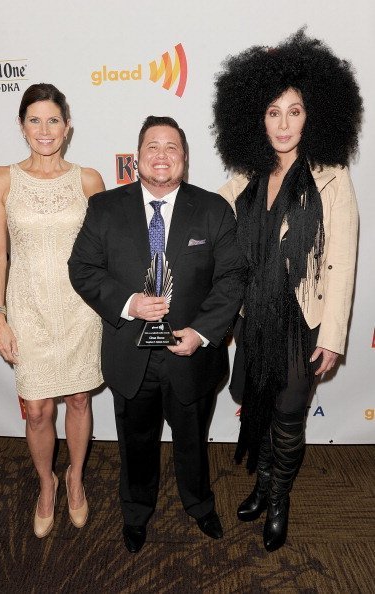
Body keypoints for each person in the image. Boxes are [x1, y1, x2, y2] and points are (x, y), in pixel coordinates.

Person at [213, 29, 363, 552]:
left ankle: (280, 498)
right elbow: (212, 234)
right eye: (272, 112)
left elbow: (343, 262)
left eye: (294, 111)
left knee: (289, 414)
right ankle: (261, 481)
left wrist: (335, 334)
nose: (282, 124)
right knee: (256, 401)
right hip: (254, 319)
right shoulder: (242, 180)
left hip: (303, 320)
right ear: (256, 117)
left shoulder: (331, 178)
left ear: (312, 115)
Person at [69, 115, 243, 553]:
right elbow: (82, 268)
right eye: (152, 146)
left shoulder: (213, 208)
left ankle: (200, 504)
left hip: (190, 353)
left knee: (192, 440)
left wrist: (203, 333)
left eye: (171, 147)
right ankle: (136, 512)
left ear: (184, 157)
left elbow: (233, 276)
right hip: (131, 353)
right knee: (135, 442)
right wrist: (127, 304)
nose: (161, 155)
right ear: (136, 157)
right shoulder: (105, 208)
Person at [0, 83, 105, 538]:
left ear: (67, 125)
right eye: (34, 119)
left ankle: (75, 478)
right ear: (21, 126)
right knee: (36, 409)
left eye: (53, 119)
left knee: (77, 398)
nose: (44, 129)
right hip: (28, 308)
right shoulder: (1, 179)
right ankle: (46, 483)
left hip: (80, 309)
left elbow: (104, 252)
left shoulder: (89, 180)